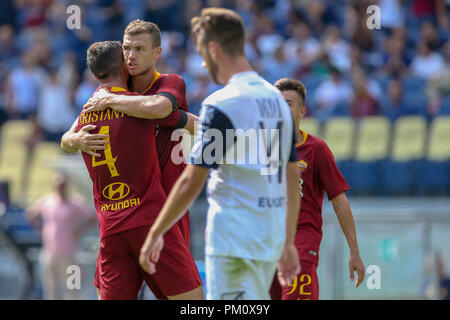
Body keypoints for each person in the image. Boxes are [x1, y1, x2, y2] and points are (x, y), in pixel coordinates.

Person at [139, 7, 301, 300]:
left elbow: (192, 180)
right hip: (269, 236)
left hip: (233, 239)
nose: (202, 64)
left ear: (214, 49)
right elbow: (289, 173)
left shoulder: (222, 104)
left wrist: (155, 233)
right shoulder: (276, 101)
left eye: (202, 53)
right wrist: (288, 241)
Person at [61, 19, 203, 299]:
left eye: (139, 48)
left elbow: (161, 108)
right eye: (127, 48)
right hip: (140, 213)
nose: (131, 55)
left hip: (169, 207)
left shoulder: (168, 84)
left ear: (157, 53)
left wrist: (111, 100)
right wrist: (76, 139)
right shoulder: (105, 100)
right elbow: (67, 138)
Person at [269, 78, 365, 300]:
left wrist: (354, 251)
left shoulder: (316, 149)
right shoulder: (258, 148)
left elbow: (339, 201)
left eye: (289, 103)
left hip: (302, 240)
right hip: (266, 244)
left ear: (302, 112)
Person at [26, 173, 96, 300]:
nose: (60, 187)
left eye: (62, 185)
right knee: (50, 289)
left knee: (71, 288)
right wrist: (41, 229)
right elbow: (30, 214)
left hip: (70, 254)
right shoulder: (48, 201)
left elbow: (91, 217)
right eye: (57, 185)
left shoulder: (75, 202)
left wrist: (79, 231)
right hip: (49, 253)